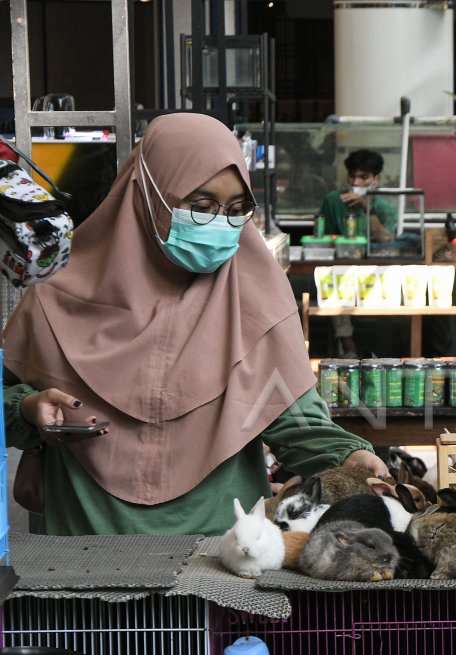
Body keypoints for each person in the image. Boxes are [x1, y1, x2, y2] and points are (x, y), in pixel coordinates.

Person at [2, 113, 388, 536]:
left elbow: (293, 418)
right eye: (201, 207)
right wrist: (28, 408)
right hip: (86, 548)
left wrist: (350, 456)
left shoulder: (257, 298)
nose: (221, 225)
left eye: (237, 209)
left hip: (223, 551)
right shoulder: (54, 299)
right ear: (148, 196)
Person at [316, 148, 399, 357]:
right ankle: (348, 343)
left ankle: (382, 352)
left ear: (375, 179)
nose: (356, 182)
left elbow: (386, 238)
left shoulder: (384, 206)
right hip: (342, 267)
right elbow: (322, 237)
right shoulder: (333, 200)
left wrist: (366, 207)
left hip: (376, 269)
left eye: (364, 177)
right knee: (332, 282)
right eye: (353, 176)